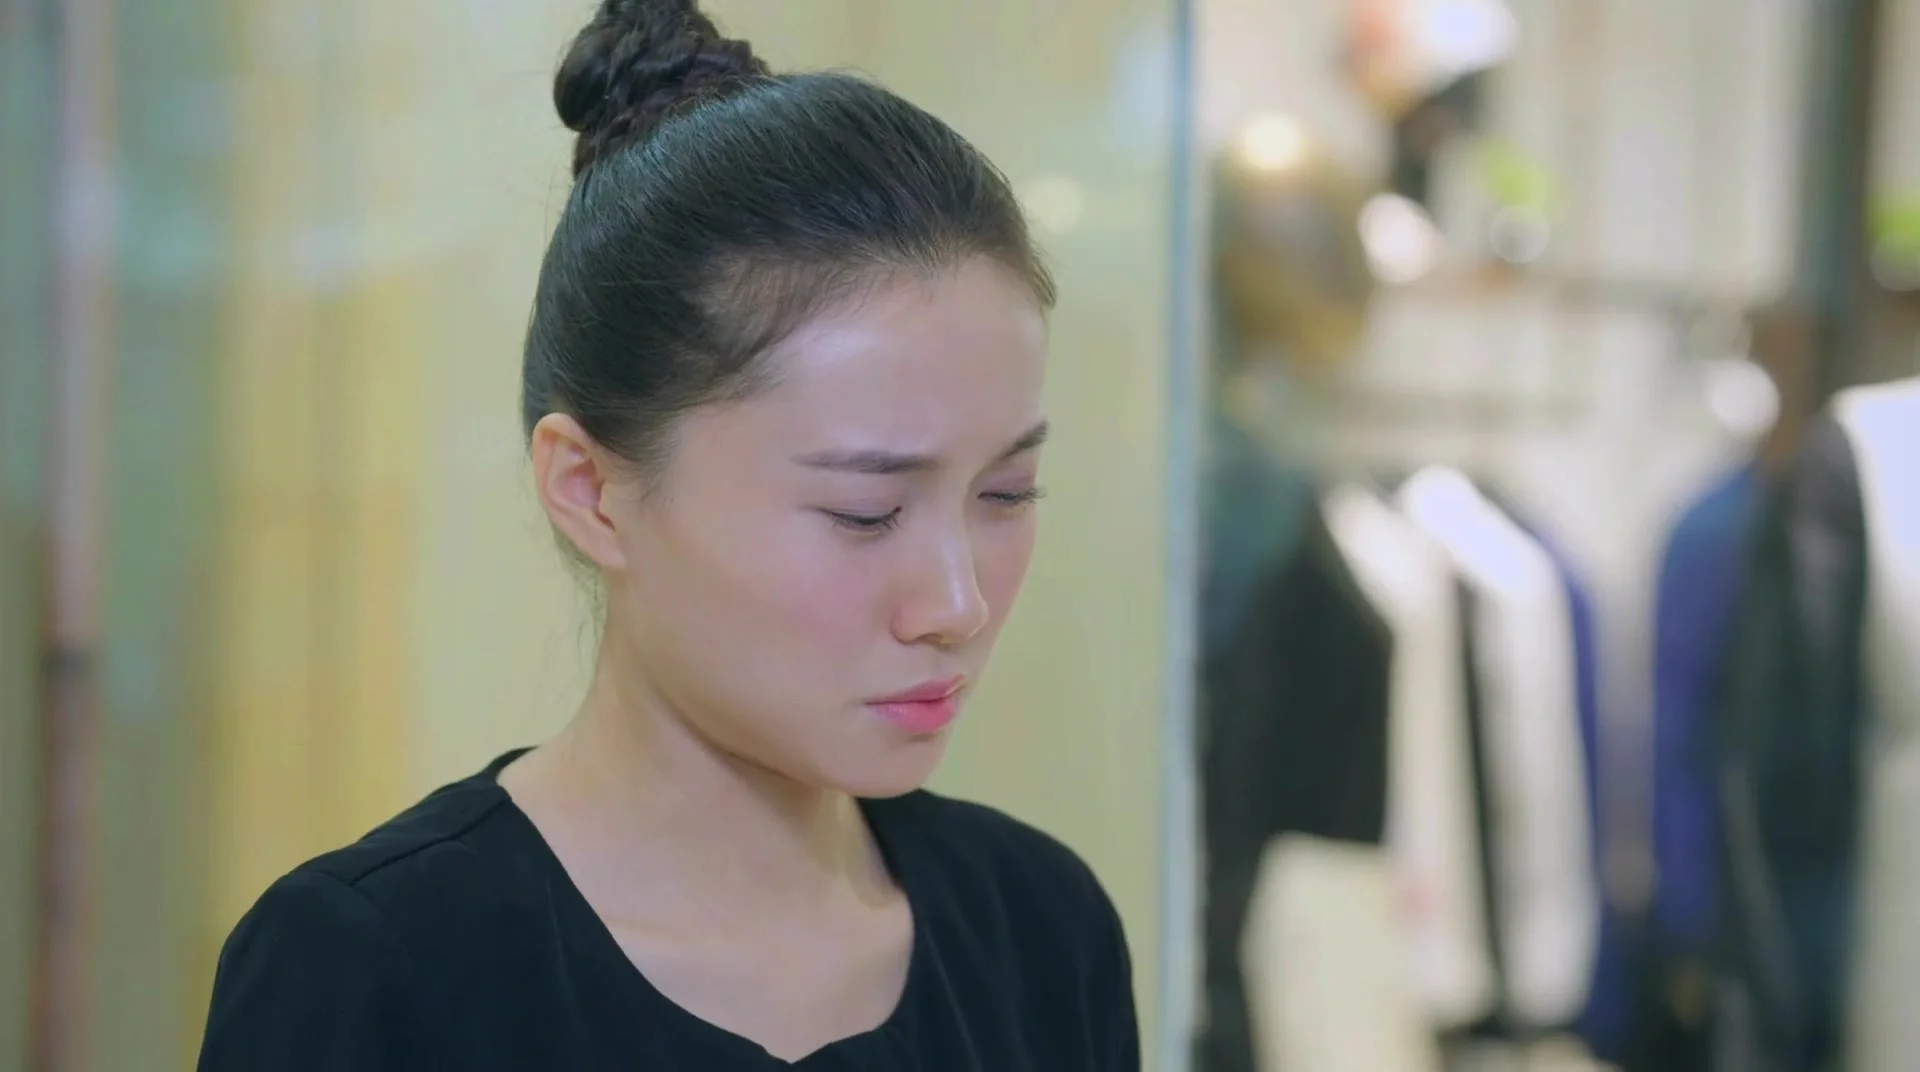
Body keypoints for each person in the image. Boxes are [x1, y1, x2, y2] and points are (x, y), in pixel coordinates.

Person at [194, 2, 1139, 1068]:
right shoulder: (372, 965)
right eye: (865, 511)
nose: (956, 604)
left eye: (1006, 493)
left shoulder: (1040, 932)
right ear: (591, 490)